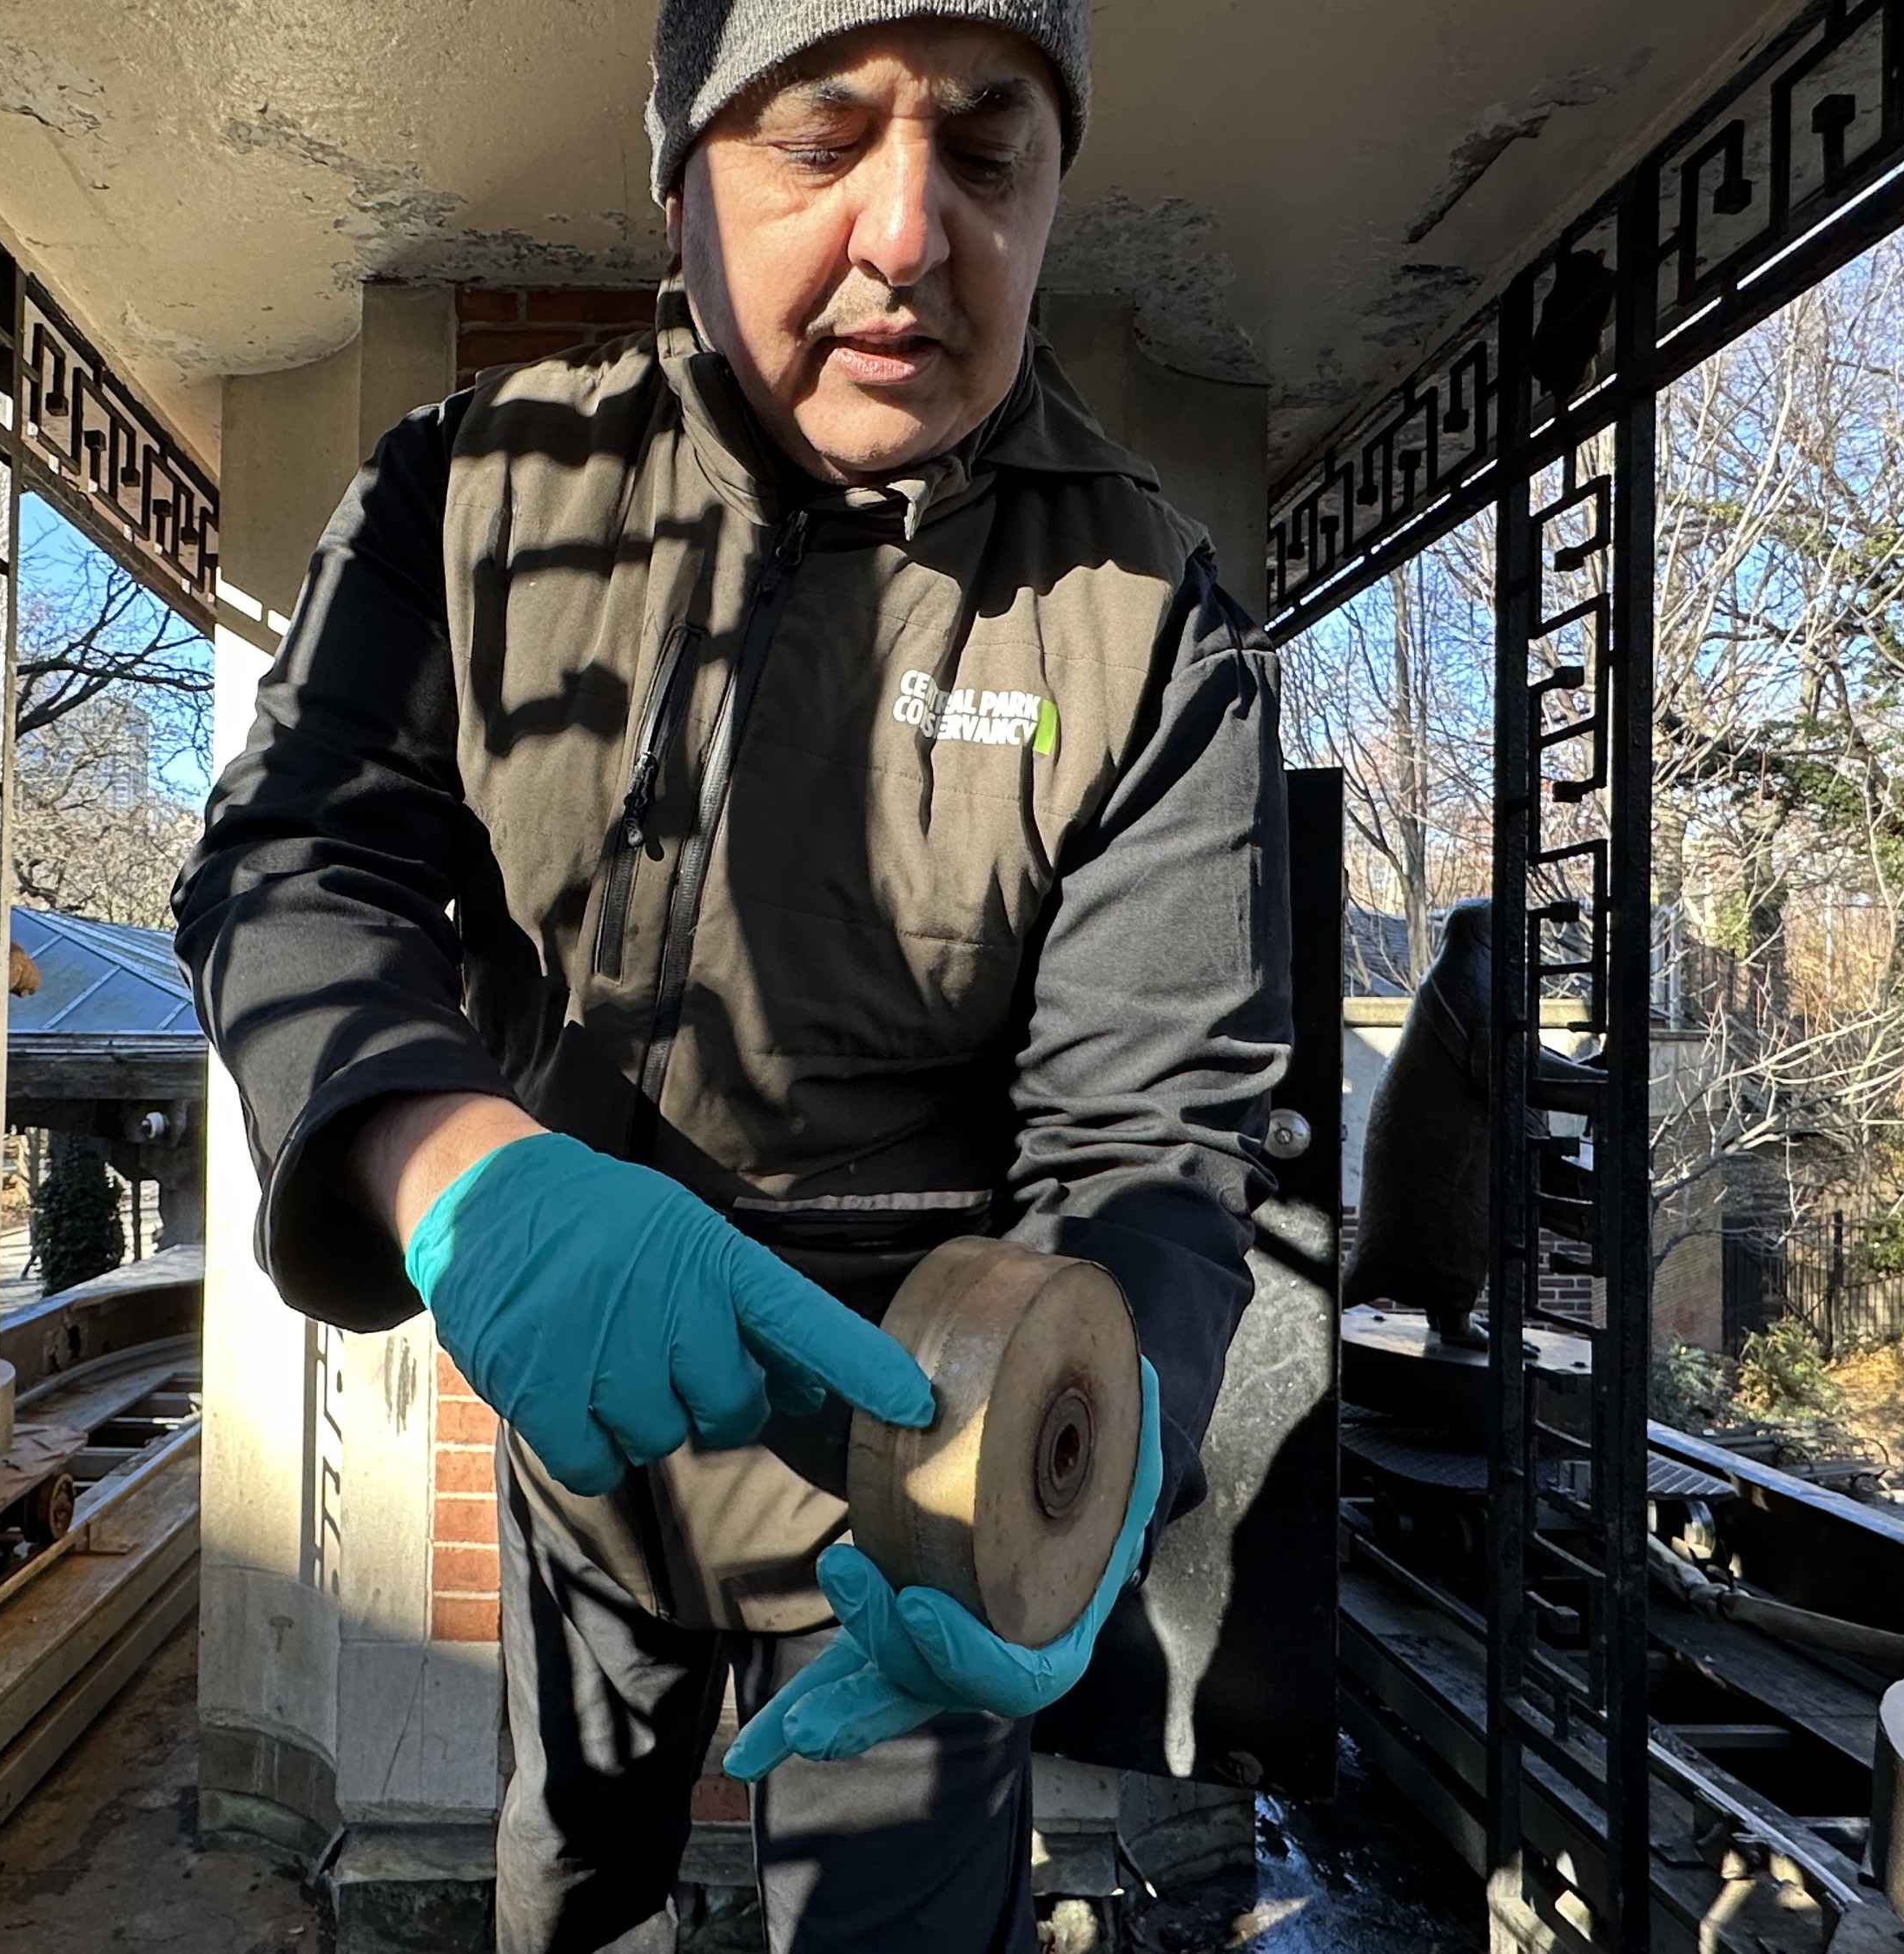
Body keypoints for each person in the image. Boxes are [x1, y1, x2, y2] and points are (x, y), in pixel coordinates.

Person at [173, 0, 1292, 1945]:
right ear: (677, 172)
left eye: (987, 152)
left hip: (921, 1538)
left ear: (1049, 196)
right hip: (587, 1446)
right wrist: (456, 1172)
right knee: (567, 1897)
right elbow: (297, 859)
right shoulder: (468, 500)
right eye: (818, 138)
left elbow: (1156, 1135)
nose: (908, 233)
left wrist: (1089, 1484)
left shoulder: (1149, 626)